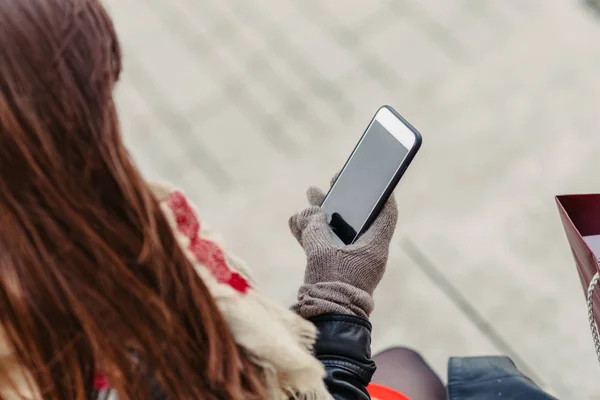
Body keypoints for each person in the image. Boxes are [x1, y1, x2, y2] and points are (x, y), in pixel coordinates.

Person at [0, 1, 562, 399]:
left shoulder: (37, 274)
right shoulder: (124, 345)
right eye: (97, 99)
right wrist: (338, 295)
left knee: (405, 367)